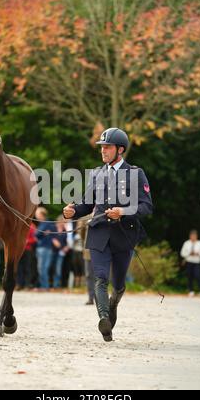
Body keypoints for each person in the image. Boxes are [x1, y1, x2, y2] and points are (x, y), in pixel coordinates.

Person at [63, 128, 153, 342]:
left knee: (118, 283)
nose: (103, 151)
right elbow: (86, 204)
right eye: (102, 147)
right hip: (99, 233)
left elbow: (146, 206)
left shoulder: (136, 174)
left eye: (107, 147)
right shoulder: (96, 173)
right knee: (100, 278)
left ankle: (112, 306)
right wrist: (73, 210)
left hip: (124, 235)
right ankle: (103, 319)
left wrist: (123, 212)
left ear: (120, 150)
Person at [180, 230, 200, 297]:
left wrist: (197, 253)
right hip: (189, 262)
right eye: (192, 235)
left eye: (194, 236)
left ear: (196, 236)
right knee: (189, 276)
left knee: (198, 275)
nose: (193, 237)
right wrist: (189, 253)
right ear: (190, 236)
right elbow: (182, 253)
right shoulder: (187, 243)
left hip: (197, 262)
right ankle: (191, 291)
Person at [36, 207, 56, 290]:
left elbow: (37, 234)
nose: (36, 216)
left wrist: (42, 234)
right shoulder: (42, 224)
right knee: (42, 268)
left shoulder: (47, 223)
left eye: (37, 214)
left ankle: (45, 286)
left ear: (41, 214)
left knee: (43, 268)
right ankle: (44, 286)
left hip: (45, 248)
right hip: (42, 248)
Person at [17, 223, 37, 290]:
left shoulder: (32, 226)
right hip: (19, 249)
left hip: (28, 249)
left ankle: (27, 285)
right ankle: (19, 284)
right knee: (19, 268)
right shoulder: (19, 225)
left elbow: (34, 239)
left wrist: (27, 241)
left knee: (27, 267)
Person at [52, 216, 68, 289]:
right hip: (52, 251)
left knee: (58, 269)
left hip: (61, 252)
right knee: (50, 268)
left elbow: (67, 241)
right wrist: (53, 241)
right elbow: (49, 237)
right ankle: (50, 284)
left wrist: (66, 247)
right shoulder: (53, 228)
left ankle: (56, 285)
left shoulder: (65, 231)